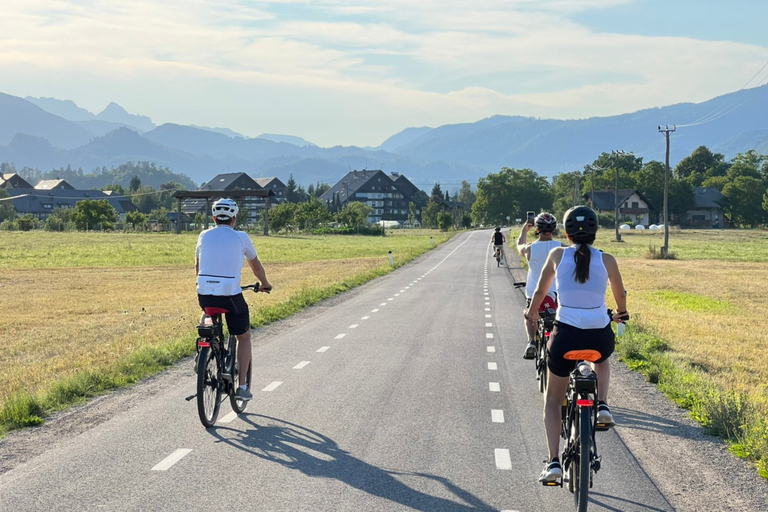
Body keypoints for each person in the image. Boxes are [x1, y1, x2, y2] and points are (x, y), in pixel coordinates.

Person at [523, 205, 628, 484]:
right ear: (595, 232)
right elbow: (620, 293)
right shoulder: (607, 259)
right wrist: (621, 311)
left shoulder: (558, 255)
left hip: (566, 337)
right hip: (598, 337)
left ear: (566, 233)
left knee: (553, 400)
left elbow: (540, 290)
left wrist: (532, 313)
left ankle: (554, 462)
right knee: (601, 360)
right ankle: (603, 405)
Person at [195, 198, 272, 401]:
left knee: (207, 312)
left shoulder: (203, 235)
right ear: (234, 219)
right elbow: (255, 267)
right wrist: (264, 283)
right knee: (243, 336)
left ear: (214, 218)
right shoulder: (241, 237)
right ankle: (243, 387)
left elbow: (198, 266)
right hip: (230, 294)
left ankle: (204, 347)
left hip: (204, 290)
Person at [517, 212, 563, 359]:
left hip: (533, 291)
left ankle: (531, 342)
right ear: (554, 229)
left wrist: (524, 230)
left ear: (537, 229)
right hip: (554, 293)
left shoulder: (530, 248)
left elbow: (519, 246)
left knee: (530, 315)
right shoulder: (561, 248)